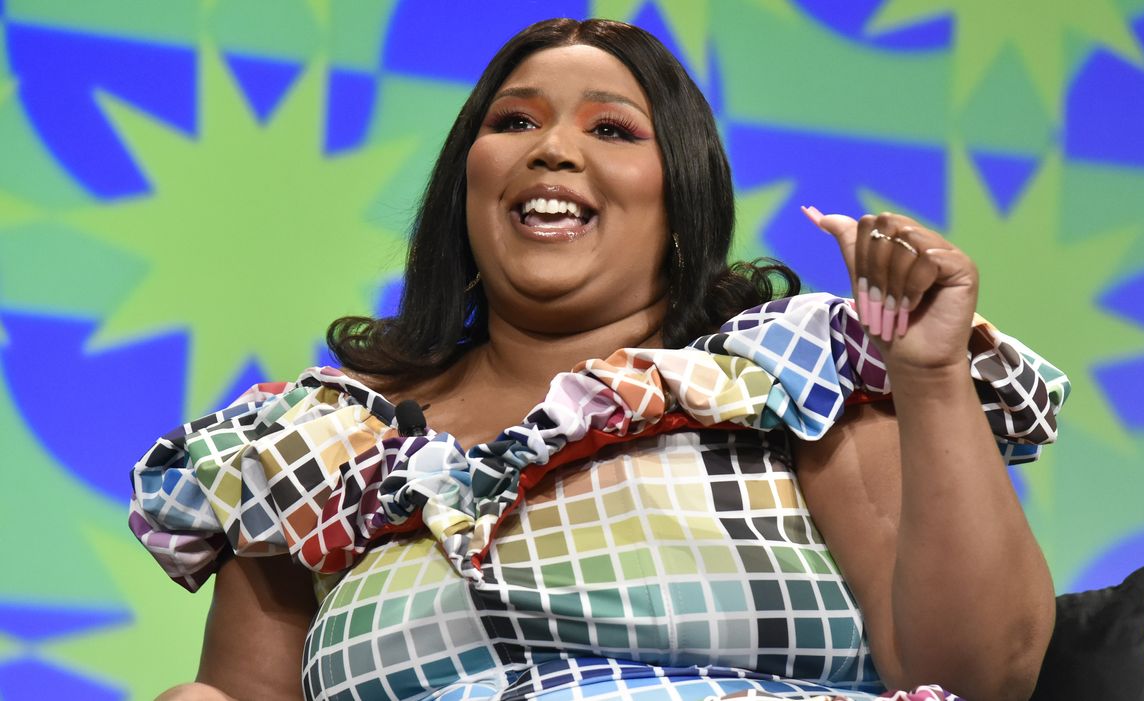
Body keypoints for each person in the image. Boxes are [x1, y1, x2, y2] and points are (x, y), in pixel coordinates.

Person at [133, 17, 1069, 701]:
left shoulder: (794, 380)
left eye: (611, 129)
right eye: (514, 123)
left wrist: (933, 374)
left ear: (681, 201)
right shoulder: (322, 447)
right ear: (468, 184)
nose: (551, 150)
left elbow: (980, 674)